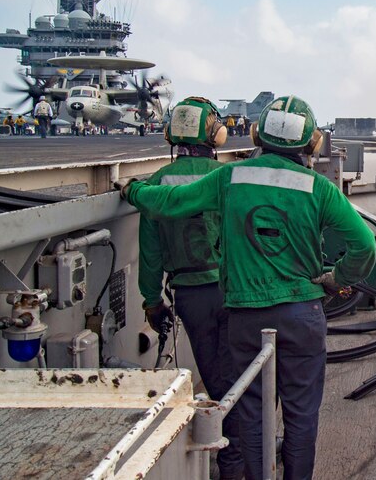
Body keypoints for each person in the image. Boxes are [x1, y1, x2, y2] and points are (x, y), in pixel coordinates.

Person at [118, 95, 376, 480]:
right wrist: (337, 279)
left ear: (256, 133)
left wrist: (133, 191)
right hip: (302, 314)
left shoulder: (230, 177)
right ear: (312, 144)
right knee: (302, 415)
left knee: (252, 414)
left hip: (246, 317)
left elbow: (168, 202)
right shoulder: (319, 188)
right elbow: (365, 245)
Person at [135, 96, 243, 480]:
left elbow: (149, 255)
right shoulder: (229, 177)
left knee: (215, 377)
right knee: (244, 375)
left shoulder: (154, 184)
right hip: (234, 292)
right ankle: (238, 460)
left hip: (189, 296)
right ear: (215, 134)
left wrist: (151, 301)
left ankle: (232, 453)